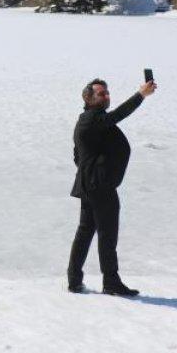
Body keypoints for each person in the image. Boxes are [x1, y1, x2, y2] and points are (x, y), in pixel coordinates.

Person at [67, 77, 158, 297]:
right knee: (107, 234)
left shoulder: (90, 120)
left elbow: (78, 154)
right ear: (88, 98)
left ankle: (74, 280)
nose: (106, 96)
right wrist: (140, 95)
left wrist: (91, 172)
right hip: (99, 187)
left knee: (86, 231)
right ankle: (111, 282)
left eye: (107, 93)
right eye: (101, 94)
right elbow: (118, 115)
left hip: (92, 185)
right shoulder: (93, 119)